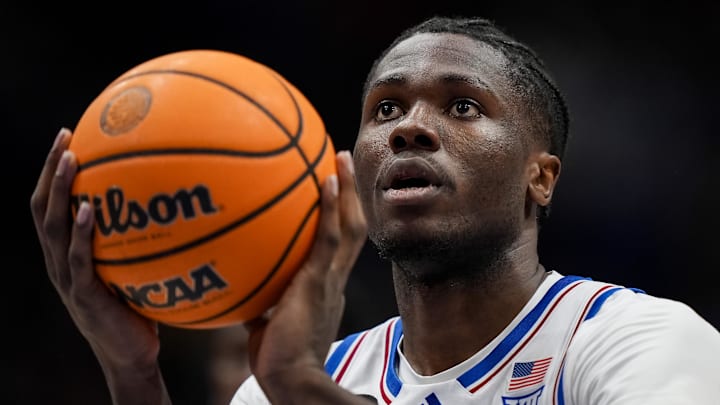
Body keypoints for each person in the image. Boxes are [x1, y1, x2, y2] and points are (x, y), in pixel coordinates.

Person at [31, 15, 720, 405]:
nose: (408, 128)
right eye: (385, 108)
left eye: (463, 106)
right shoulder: (281, 387)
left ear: (540, 178)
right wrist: (131, 373)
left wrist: (300, 385)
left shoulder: (640, 340)